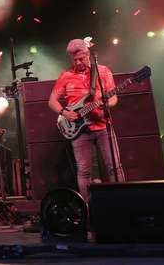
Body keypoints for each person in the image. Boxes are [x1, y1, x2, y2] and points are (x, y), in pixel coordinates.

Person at [48, 39, 121, 200]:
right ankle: (87, 206)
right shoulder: (66, 75)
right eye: (74, 60)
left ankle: (121, 201)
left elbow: (113, 98)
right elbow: (52, 101)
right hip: (79, 130)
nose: (78, 63)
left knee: (114, 167)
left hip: (103, 126)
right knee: (84, 171)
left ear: (88, 55)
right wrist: (64, 112)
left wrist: (105, 104)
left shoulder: (103, 72)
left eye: (81, 59)